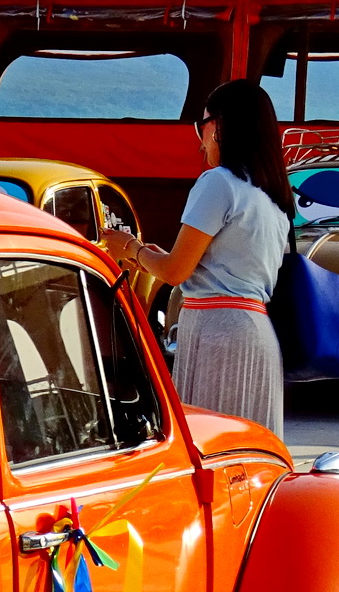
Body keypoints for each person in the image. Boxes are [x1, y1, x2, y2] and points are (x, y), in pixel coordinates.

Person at [104, 79, 292, 436]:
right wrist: (151, 257)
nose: (200, 138)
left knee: (211, 446)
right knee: (251, 451)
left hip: (216, 329)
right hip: (255, 332)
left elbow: (174, 272)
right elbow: (205, 265)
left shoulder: (217, 183)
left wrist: (129, 248)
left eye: (200, 125)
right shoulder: (273, 195)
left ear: (219, 125)